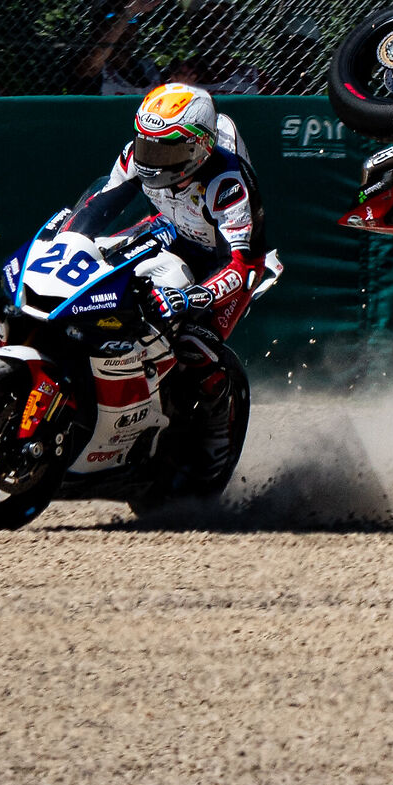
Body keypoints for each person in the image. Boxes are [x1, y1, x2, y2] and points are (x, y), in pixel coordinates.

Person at [99, 82, 278, 484]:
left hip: (226, 266)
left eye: (164, 151)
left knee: (193, 346)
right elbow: (103, 200)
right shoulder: (136, 156)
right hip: (169, 235)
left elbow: (245, 263)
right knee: (99, 267)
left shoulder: (226, 183)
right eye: (146, 145)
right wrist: (74, 236)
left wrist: (198, 295)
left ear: (197, 149)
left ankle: (217, 431)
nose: (150, 160)